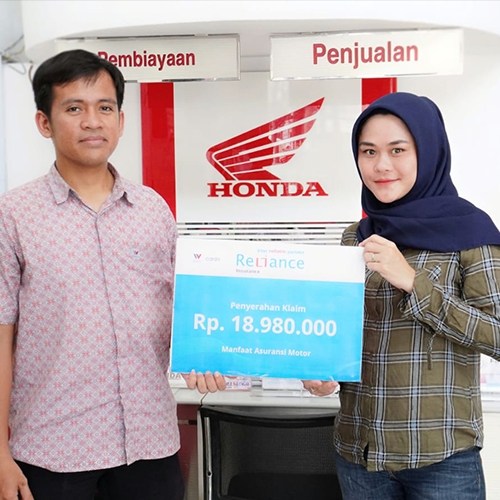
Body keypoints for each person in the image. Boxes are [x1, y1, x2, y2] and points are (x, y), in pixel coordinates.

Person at [0, 49, 225, 500]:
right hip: (52, 449)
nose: (92, 121)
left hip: (149, 444)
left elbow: (184, 309)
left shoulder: (152, 209)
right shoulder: (13, 215)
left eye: (104, 108)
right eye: (74, 108)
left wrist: (207, 352)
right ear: (44, 122)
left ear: (120, 122)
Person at [303, 91, 500, 499]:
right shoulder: (354, 238)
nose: (381, 165)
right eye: (368, 151)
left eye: (397, 150)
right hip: (359, 454)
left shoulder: (471, 234)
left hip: (442, 459)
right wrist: (322, 372)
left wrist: (413, 282)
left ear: (427, 152)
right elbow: (342, 334)